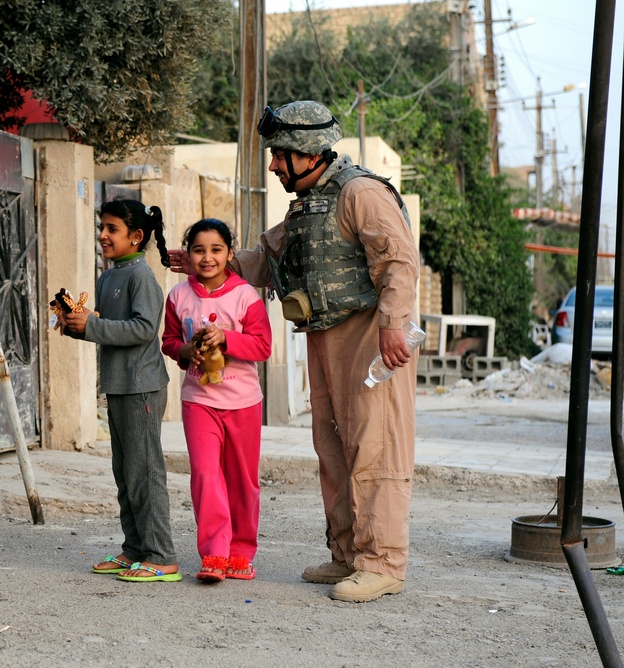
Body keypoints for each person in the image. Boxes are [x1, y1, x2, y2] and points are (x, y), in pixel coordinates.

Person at [170, 100, 420, 603]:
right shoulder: (309, 203)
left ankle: (383, 563)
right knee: (333, 449)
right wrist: (209, 264)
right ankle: (347, 555)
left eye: (280, 154)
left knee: (376, 446)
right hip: (325, 337)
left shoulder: (361, 193)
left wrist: (394, 325)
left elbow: (398, 261)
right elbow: (265, 260)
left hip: (369, 335)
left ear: (306, 153)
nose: (272, 165)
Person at [59, 198, 181, 583]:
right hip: (118, 386)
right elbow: (110, 328)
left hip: (142, 388)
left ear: (137, 236)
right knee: (125, 474)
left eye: (112, 229)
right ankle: (134, 550)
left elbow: (144, 329)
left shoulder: (141, 276)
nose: (103, 235)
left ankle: (161, 556)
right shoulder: (109, 276)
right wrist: (77, 325)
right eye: (103, 227)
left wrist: (92, 327)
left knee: (145, 473)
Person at [161, 219, 271, 583]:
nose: (207, 257)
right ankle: (214, 554)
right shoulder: (178, 296)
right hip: (198, 401)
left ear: (230, 254)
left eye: (216, 250)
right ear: (188, 255)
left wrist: (226, 338)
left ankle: (240, 554)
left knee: (241, 480)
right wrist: (185, 350)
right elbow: (169, 342)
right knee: (206, 475)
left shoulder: (245, 296)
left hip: (243, 403)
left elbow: (263, 346)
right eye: (198, 250)